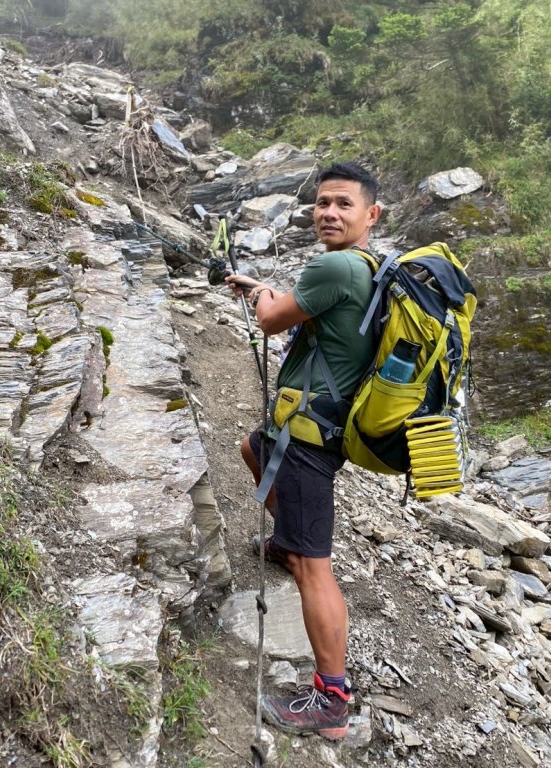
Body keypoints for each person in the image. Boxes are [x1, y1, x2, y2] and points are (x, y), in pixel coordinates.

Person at [226, 162, 381, 739]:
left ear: (371, 214)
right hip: (315, 428)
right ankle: (287, 540)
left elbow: (272, 320)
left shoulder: (333, 265)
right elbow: (304, 308)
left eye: (343, 204)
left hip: (308, 439)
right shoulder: (368, 267)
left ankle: (331, 702)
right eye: (322, 203)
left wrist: (263, 298)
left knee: (315, 570)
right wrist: (263, 289)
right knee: (251, 447)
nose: (329, 213)